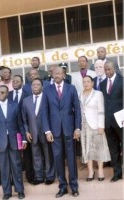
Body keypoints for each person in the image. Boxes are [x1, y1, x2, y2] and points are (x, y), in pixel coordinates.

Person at [42, 66, 81, 198]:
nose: (57, 75)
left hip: (70, 130)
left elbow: (77, 109)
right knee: (58, 159)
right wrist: (47, 131)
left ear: (64, 75)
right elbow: (44, 111)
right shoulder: (47, 90)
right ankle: (62, 187)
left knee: (71, 160)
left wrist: (77, 128)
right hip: (54, 131)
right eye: (55, 73)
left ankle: (74, 187)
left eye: (59, 73)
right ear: (52, 75)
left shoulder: (71, 88)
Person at [0, 85, 26, 200]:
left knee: (17, 167)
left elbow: (20, 124)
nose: (0, 94)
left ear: (7, 93)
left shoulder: (14, 105)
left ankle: (20, 190)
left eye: (2, 92)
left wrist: (23, 138)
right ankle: (7, 192)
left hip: (14, 141)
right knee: (4, 169)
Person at [100, 60, 124, 182]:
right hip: (108, 122)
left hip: (122, 121)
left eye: (109, 69)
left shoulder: (123, 81)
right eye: (105, 70)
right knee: (113, 149)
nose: (107, 72)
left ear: (114, 68)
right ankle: (117, 173)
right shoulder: (102, 84)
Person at [21, 78, 55, 185]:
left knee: (48, 155)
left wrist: (50, 131)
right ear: (30, 87)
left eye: (37, 84)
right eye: (33, 85)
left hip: (46, 132)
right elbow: (24, 119)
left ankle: (50, 176)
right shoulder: (26, 100)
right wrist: (26, 132)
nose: (35, 86)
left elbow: (51, 116)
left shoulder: (47, 98)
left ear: (42, 86)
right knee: (36, 156)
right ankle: (39, 176)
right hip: (32, 133)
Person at [79, 76, 111, 182]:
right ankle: (90, 171)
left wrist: (101, 125)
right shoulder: (79, 94)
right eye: (84, 82)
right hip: (83, 126)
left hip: (96, 125)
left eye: (88, 81)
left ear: (92, 83)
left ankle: (101, 171)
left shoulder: (98, 94)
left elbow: (101, 110)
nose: (86, 83)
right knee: (87, 149)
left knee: (98, 148)